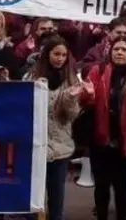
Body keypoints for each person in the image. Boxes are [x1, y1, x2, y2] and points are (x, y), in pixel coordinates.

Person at [81, 37, 126, 220]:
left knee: (122, 187)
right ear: (110, 52)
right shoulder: (99, 71)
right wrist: (88, 95)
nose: (120, 53)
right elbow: (84, 102)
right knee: (101, 187)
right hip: (100, 140)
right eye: (116, 49)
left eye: (124, 50)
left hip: (125, 142)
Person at [29, 35, 84, 220]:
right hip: (36, 147)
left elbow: (71, 116)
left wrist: (69, 98)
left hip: (60, 148)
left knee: (56, 199)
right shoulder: (32, 76)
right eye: (56, 54)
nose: (60, 58)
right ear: (47, 54)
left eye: (63, 55)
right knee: (33, 199)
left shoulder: (71, 80)